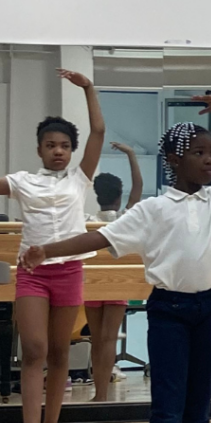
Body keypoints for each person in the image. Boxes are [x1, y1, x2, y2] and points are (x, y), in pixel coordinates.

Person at [21, 95, 211, 423]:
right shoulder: (152, 209)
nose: (209, 161)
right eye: (199, 153)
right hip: (169, 310)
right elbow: (96, 239)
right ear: (174, 159)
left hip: (210, 308)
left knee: (199, 404)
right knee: (168, 406)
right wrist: (46, 250)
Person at [0, 69, 105, 423]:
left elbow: (98, 132)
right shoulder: (23, 182)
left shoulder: (79, 179)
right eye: (50, 145)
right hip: (33, 275)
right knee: (33, 350)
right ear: (39, 149)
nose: (58, 151)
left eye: (64, 145)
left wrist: (88, 88)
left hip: (68, 270)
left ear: (71, 150)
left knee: (59, 352)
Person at [84, 142, 143, 402]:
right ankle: (102, 394)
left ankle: (99, 393)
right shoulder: (124, 219)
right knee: (109, 340)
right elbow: (138, 188)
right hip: (117, 283)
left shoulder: (87, 219)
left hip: (93, 283)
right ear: (119, 196)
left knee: (97, 340)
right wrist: (131, 154)